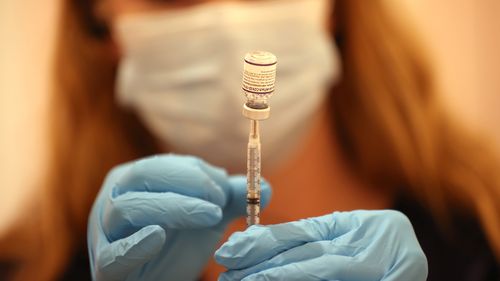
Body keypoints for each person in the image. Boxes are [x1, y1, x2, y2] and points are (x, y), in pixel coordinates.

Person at [0, 0, 499, 280]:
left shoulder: (485, 230)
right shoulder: (26, 268)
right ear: (99, 24)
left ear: (339, 9)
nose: (227, 19)